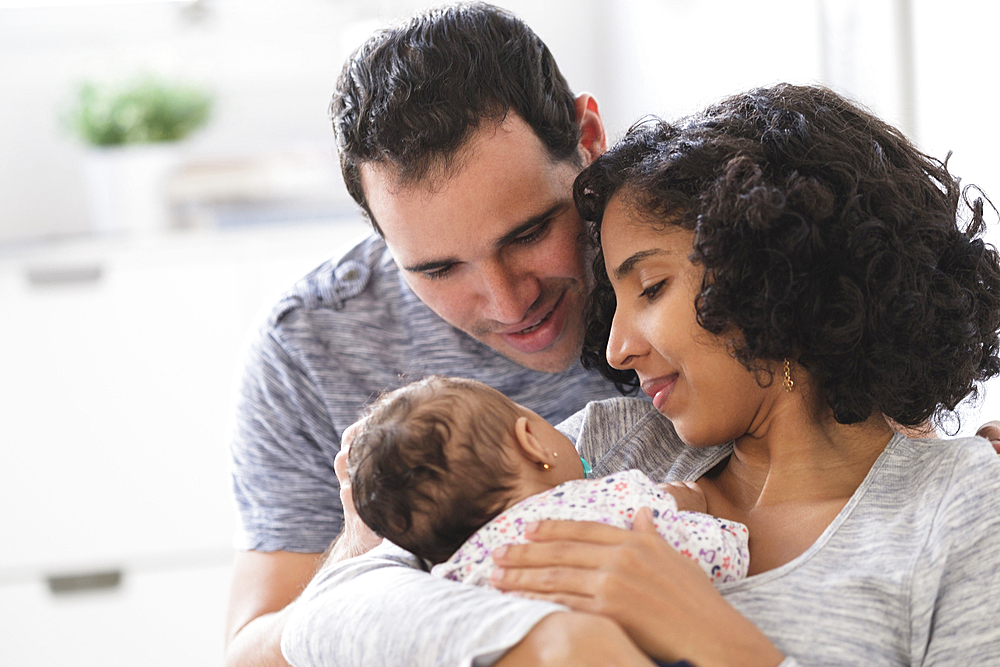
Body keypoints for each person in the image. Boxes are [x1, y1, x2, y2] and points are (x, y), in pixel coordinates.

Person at [280, 84, 1000, 666]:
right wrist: (558, 643)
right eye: (615, 300)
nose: (617, 347)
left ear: (774, 273)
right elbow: (328, 616)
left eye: (650, 287)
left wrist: (723, 645)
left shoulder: (959, 507)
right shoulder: (608, 448)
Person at [223, 4, 621, 665]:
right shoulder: (313, 345)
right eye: (437, 268)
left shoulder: (690, 258)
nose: (508, 300)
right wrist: (362, 545)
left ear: (590, 138)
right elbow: (248, 655)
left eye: (528, 233)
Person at [347, 375, 749, 586]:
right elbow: (721, 558)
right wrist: (691, 507)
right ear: (532, 444)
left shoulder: (451, 577)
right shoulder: (610, 500)